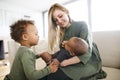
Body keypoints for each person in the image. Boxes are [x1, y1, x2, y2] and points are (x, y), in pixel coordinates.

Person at [45, 3, 107, 80]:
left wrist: (63, 63)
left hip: (88, 62)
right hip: (72, 60)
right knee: (47, 71)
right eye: (56, 20)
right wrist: (52, 59)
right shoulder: (62, 35)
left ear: (66, 12)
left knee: (55, 75)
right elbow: (65, 53)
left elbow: (86, 53)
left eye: (60, 16)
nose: (59, 21)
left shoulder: (82, 25)